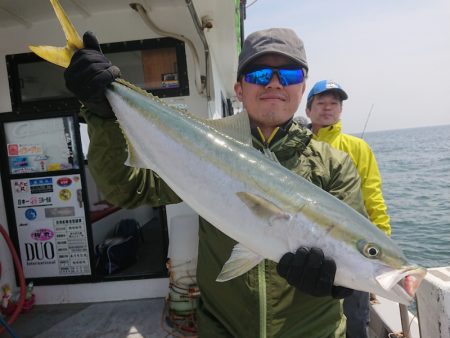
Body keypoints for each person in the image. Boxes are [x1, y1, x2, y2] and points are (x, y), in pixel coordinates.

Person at [65, 28, 368, 337]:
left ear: (302, 87)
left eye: (288, 74)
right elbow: (126, 188)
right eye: (261, 73)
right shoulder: (202, 142)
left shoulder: (334, 165)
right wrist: (103, 115)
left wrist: (335, 283)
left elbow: (353, 249)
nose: (275, 82)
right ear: (239, 88)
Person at [305, 80, 392, 338]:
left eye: (334, 103)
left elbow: (372, 195)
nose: (328, 108)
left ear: (341, 110)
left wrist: (383, 239)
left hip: (351, 249)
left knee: (356, 317)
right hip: (310, 246)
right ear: (309, 110)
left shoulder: (358, 148)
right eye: (321, 103)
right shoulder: (298, 146)